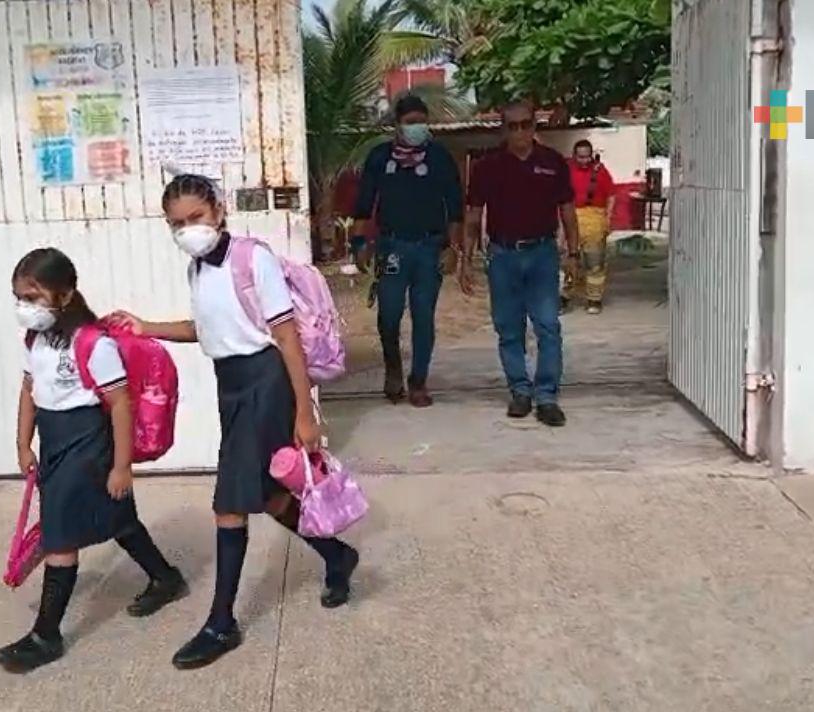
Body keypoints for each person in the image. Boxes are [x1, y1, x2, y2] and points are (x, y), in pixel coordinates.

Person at [112, 174, 360, 670]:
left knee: (229, 503)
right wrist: (146, 327)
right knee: (269, 495)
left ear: (219, 212)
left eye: (196, 217)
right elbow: (205, 329)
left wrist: (304, 412)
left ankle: (221, 623)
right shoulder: (197, 269)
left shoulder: (252, 259)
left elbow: (286, 337)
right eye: (177, 223)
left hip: (266, 382)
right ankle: (337, 556)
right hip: (231, 385)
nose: (188, 229)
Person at [0, 247, 187, 673]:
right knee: (117, 518)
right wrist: (23, 444)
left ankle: (46, 635)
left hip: (88, 445)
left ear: (65, 295)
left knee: (60, 538)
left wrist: (121, 467)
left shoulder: (94, 344)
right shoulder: (35, 340)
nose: (24, 307)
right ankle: (165, 577)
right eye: (19, 298)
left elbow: (120, 405)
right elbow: (29, 392)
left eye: (33, 297)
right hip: (54, 442)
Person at [462, 101, 581, 428]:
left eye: (525, 124)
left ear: (534, 126)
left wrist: (574, 254)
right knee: (508, 327)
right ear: (504, 129)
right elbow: (473, 215)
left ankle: (547, 397)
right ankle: (520, 391)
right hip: (503, 256)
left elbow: (568, 211)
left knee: (548, 325)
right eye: (512, 126)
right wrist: (466, 259)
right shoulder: (488, 167)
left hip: (542, 254)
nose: (519, 132)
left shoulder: (552, 163)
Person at [353, 94, 465, 407]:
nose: (418, 128)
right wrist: (359, 244)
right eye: (411, 122)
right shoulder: (379, 158)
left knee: (423, 317)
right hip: (392, 248)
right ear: (397, 125)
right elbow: (364, 204)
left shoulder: (439, 157)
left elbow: (455, 207)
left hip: (430, 248)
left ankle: (418, 382)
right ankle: (393, 370)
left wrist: (453, 249)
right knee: (388, 316)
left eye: (422, 122)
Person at [564, 140, 617, 314]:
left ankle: (594, 299)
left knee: (594, 262)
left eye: (587, 157)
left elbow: (611, 195)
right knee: (567, 261)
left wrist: (607, 218)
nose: (584, 161)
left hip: (594, 221)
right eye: (581, 157)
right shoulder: (566, 171)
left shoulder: (600, 171)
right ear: (574, 155)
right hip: (570, 218)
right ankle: (564, 297)